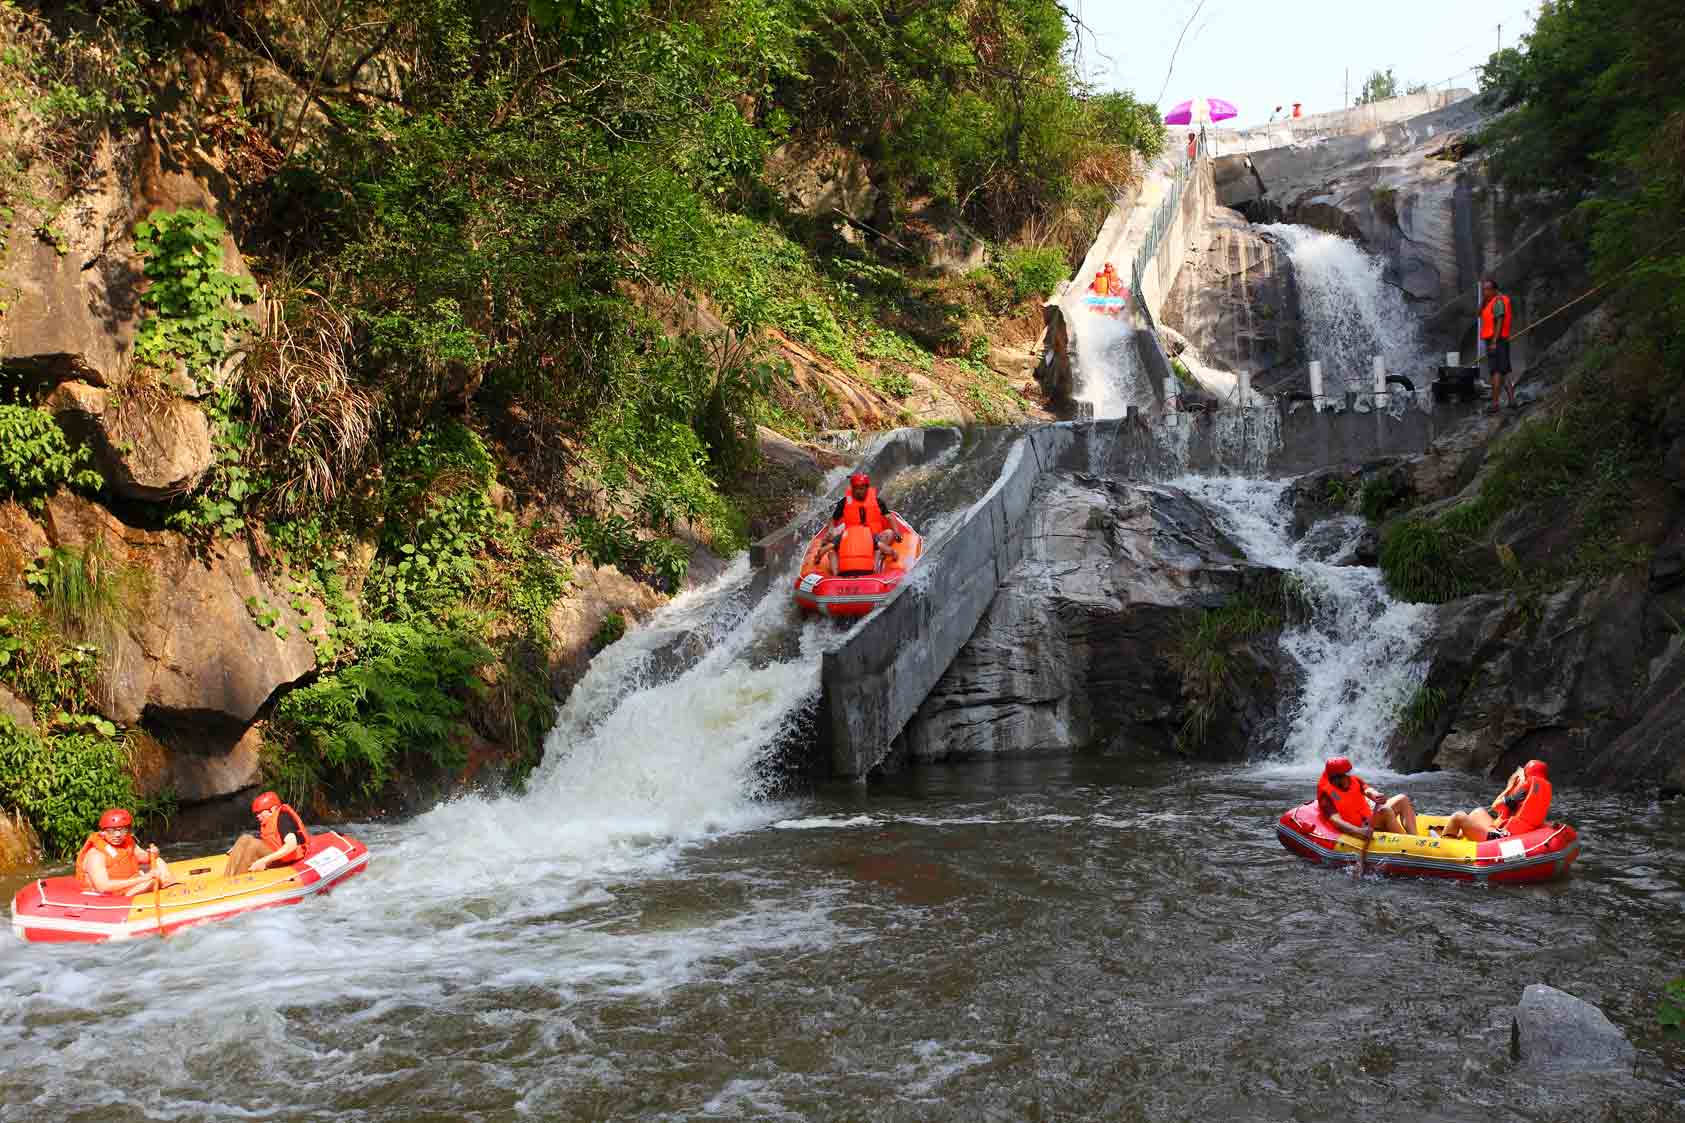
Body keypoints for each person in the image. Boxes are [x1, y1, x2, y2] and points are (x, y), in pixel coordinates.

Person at [1439, 759, 1552, 840]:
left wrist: (1509, 787)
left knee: (1458, 816)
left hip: (1499, 837)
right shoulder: (1540, 789)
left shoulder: (1523, 791)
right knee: (1478, 812)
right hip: (1509, 831)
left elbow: (1496, 807)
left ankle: (1445, 844)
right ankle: (1458, 834)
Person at [76, 808, 177, 896]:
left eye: (122, 830)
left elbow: (143, 857)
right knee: (153, 881)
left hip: (131, 884)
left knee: (157, 860)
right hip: (113, 895)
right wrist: (144, 878)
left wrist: (154, 853)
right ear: (103, 832)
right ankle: (170, 888)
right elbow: (103, 886)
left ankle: (170, 885)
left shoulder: (127, 842)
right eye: (112, 830)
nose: (117, 835)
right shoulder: (96, 855)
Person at [818, 472, 903, 576]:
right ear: (852, 488)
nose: (859, 491)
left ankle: (877, 561)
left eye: (861, 488)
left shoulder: (877, 501)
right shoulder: (844, 502)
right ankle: (837, 573)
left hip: (874, 537)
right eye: (856, 488)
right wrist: (831, 530)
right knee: (832, 537)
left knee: (889, 533)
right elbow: (833, 519)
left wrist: (897, 533)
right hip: (851, 538)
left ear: (867, 488)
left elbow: (889, 517)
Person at [1316, 756, 1418, 839]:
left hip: (1367, 818)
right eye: (1345, 775)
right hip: (1355, 827)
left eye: (1349, 773)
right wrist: (1359, 831)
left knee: (1402, 799)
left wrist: (1376, 795)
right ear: (1336, 778)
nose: (1349, 777)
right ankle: (1407, 842)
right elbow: (1336, 821)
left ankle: (1415, 839)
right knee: (1386, 811)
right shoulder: (1326, 795)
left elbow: (1368, 790)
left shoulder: (1353, 780)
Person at [224, 790, 309, 877]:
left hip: (285, 859)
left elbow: (291, 845)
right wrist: (241, 846)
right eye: (256, 813)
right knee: (245, 837)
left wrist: (263, 861)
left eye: (260, 812)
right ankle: (228, 877)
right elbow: (269, 837)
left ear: (272, 809)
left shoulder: (283, 819)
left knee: (253, 845)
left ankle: (237, 880)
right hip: (274, 853)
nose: (257, 816)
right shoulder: (268, 820)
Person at [1479, 276, 1516, 412]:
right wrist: (1484, 300)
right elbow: (1479, 313)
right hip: (1498, 341)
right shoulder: (1489, 302)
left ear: (1495, 290)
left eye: (1488, 289)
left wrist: (1494, 342)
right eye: (1484, 290)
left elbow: (1499, 321)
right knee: (1505, 371)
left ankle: (1495, 404)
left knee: (1495, 371)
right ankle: (1512, 401)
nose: (1485, 292)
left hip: (1497, 341)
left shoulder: (1498, 302)